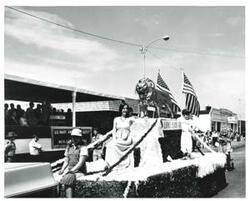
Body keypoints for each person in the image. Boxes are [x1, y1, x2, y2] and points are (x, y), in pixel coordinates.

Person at [58, 128, 89, 198]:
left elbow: (80, 163)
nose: (75, 139)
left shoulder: (83, 148)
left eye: (77, 137)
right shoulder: (69, 147)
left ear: (80, 138)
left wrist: (71, 171)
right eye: (73, 137)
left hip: (79, 171)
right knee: (60, 179)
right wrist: (62, 170)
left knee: (69, 177)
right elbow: (66, 160)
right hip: (70, 170)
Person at [105, 104, 135, 170]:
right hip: (118, 138)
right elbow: (114, 130)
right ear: (121, 110)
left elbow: (134, 127)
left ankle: (121, 164)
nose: (125, 110)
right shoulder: (116, 119)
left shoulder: (130, 119)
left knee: (114, 145)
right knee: (109, 145)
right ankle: (110, 164)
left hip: (127, 139)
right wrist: (114, 139)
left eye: (126, 109)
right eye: (123, 108)